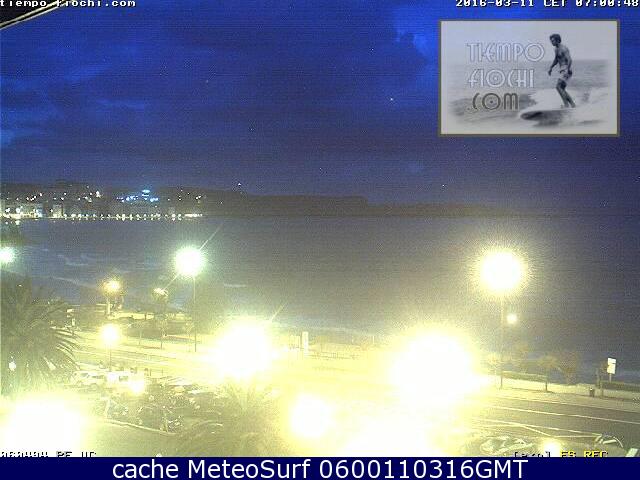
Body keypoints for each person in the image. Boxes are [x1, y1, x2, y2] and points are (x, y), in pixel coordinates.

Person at [548, 33, 576, 108]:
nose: (551, 42)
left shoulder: (564, 48)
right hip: (562, 69)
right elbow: (556, 60)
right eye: (551, 41)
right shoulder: (556, 49)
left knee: (558, 87)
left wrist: (567, 70)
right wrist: (551, 67)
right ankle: (573, 105)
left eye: (553, 41)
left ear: (557, 40)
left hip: (566, 68)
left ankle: (566, 105)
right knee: (562, 88)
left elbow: (569, 60)